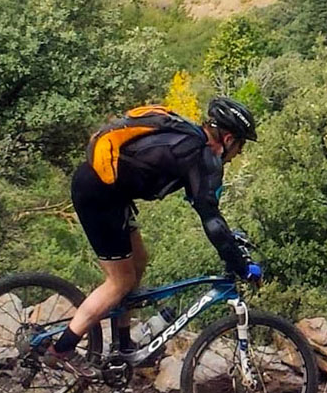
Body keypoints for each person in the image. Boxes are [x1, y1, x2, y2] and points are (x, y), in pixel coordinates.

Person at [42, 97, 262, 378]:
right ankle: (62, 350)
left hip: (111, 193)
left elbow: (210, 212)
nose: (239, 153)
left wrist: (229, 240)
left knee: (139, 262)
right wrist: (241, 265)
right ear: (229, 139)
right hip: (98, 195)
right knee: (119, 282)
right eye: (241, 145)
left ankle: (123, 345)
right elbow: (211, 220)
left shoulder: (190, 140)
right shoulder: (198, 154)